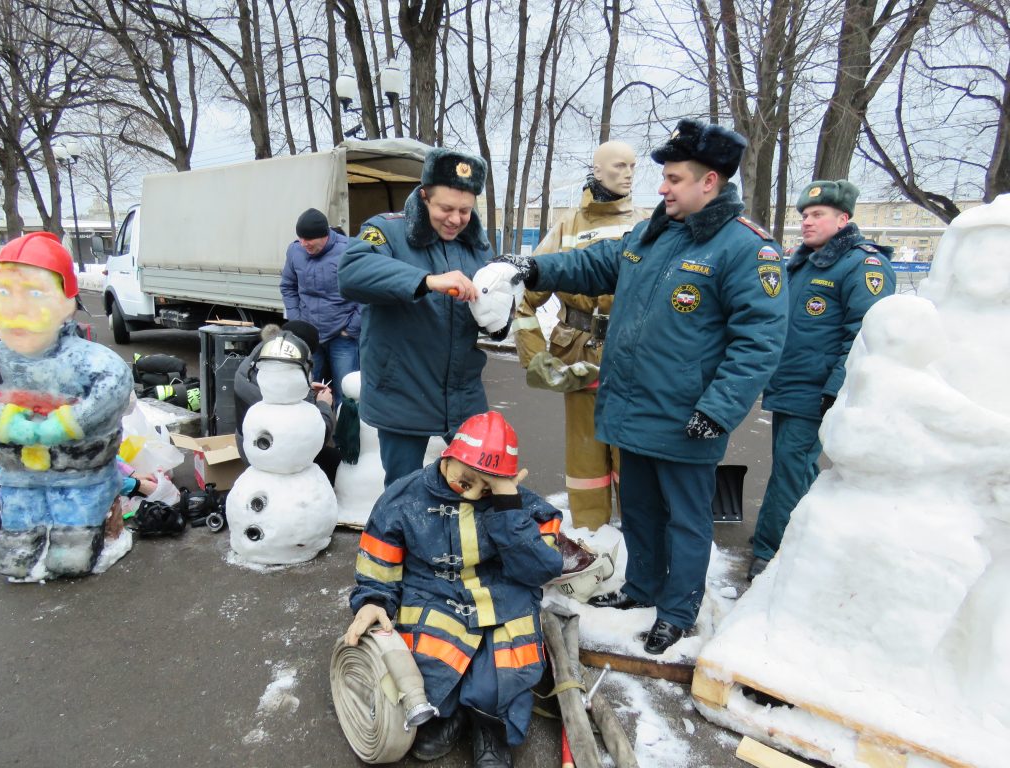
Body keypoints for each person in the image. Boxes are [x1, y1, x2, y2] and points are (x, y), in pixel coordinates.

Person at [476, 119, 788, 654]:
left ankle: (678, 610)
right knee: (639, 509)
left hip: (688, 416)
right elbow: (595, 263)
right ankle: (642, 586)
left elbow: (759, 339)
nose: (661, 188)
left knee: (685, 521)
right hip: (632, 406)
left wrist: (718, 410)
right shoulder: (656, 233)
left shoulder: (745, 249)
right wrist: (532, 267)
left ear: (709, 182)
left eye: (673, 178)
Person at [343, 411, 562, 768]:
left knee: (501, 676)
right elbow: (378, 560)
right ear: (450, 455)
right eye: (467, 481)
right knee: (423, 673)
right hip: (432, 597)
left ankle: (490, 728)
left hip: (503, 600)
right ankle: (449, 714)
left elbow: (538, 570)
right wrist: (372, 600)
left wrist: (507, 505)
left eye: (488, 487)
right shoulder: (403, 498)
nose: (476, 493)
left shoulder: (527, 506)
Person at [748, 179, 896, 580]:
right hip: (789, 385)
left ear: (843, 218)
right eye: (804, 216)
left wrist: (834, 389)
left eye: (817, 215)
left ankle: (771, 551)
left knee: (790, 466)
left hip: (815, 390)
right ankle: (805, 534)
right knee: (797, 467)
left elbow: (866, 334)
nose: (806, 223)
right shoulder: (804, 263)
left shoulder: (862, 264)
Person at [338, 147, 498, 488]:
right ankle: (403, 541)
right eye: (445, 208)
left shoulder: (477, 246)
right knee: (404, 491)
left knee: (476, 486)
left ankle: (456, 542)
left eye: (465, 211)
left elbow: (490, 301)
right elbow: (352, 272)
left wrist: (500, 315)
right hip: (402, 393)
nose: (455, 219)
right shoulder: (387, 230)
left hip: (464, 394)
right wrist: (426, 281)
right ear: (424, 196)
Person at [513, 140, 645, 531]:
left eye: (633, 166)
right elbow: (524, 297)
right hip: (580, 354)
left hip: (632, 355)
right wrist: (537, 358)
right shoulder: (567, 227)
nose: (629, 174)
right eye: (619, 165)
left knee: (632, 452)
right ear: (597, 170)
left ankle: (638, 544)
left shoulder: (646, 224)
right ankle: (591, 534)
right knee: (585, 457)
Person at [0, 232, 133, 579]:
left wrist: (65, 423)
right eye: (5, 292)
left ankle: (77, 538)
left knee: (73, 534)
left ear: (66, 301)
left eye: (34, 293)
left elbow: (112, 386)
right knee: (21, 524)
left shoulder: (90, 360)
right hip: (18, 471)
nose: (16, 308)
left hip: (80, 472)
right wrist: (4, 421)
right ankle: (24, 539)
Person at [233, 320, 342, 484]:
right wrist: (324, 404)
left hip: (250, 448)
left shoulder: (251, 366)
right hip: (280, 458)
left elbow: (277, 393)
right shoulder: (278, 394)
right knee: (338, 464)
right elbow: (317, 437)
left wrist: (307, 388)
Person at [280, 207, 361, 405]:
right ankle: (312, 432)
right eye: (300, 238)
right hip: (309, 336)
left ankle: (344, 435)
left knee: (347, 392)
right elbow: (288, 287)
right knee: (306, 389)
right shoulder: (295, 251)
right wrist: (297, 322)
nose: (304, 243)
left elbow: (366, 293)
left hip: (342, 335)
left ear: (325, 236)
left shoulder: (350, 250)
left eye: (309, 239)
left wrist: (351, 328)